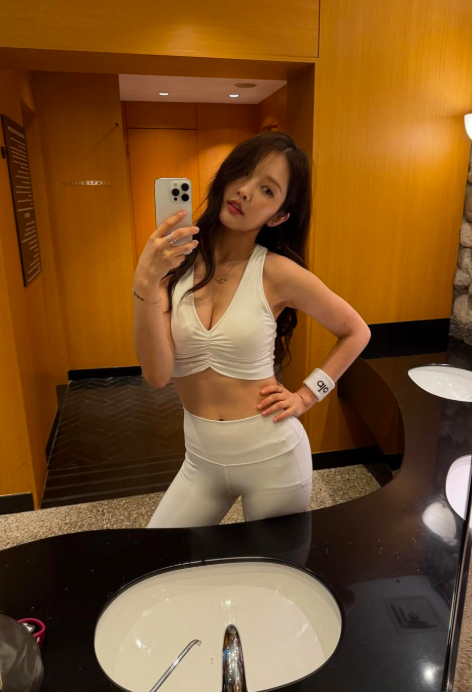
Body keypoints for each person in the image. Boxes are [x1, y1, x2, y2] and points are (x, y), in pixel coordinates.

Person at [132, 132, 371, 529]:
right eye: (243, 173)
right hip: (201, 462)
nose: (245, 191)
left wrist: (307, 395)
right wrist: (145, 282)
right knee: (159, 556)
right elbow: (157, 375)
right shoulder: (174, 265)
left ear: (278, 216)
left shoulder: (279, 273)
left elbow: (356, 331)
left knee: (270, 567)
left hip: (273, 459)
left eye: (267, 189)